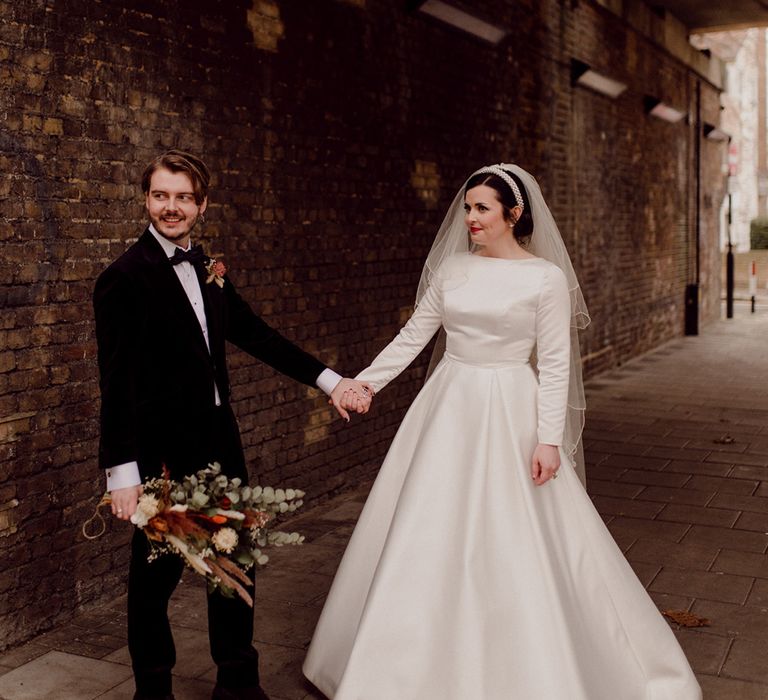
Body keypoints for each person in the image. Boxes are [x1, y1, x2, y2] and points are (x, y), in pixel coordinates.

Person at [302, 164, 702, 699]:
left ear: (512, 214)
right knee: (427, 520)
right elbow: (413, 336)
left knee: (519, 530)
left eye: (482, 208)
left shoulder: (545, 278)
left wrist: (549, 439)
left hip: (513, 405)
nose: (470, 218)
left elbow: (555, 362)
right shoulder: (452, 271)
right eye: (467, 208)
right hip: (448, 404)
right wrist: (363, 384)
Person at [93, 149, 371, 700]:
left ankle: (238, 683)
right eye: (160, 196)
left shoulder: (206, 269)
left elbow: (258, 335)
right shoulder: (123, 279)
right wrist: (121, 473)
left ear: (202, 205)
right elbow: (116, 382)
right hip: (161, 457)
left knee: (233, 564)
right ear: (146, 199)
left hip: (220, 444)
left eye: (183, 198)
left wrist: (331, 381)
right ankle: (153, 691)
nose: (170, 208)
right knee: (155, 581)